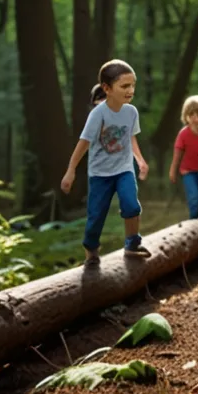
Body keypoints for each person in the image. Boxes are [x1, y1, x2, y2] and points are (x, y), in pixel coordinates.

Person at [61, 60, 151, 266]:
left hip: (124, 169)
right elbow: (84, 143)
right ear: (106, 89)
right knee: (96, 217)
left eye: (133, 85)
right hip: (100, 174)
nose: (131, 90)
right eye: (125, 86)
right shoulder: (98, 114)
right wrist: (71, 170)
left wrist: (140, 160)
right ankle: (91, 252)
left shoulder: (131, 112)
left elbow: (131, 137)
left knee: (131, 205)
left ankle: (132, 244)